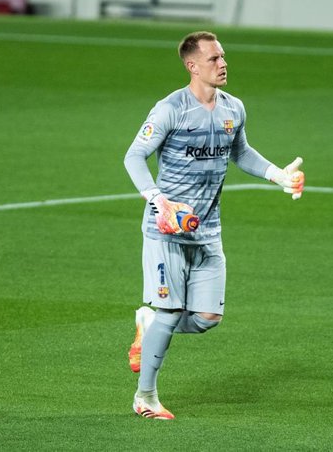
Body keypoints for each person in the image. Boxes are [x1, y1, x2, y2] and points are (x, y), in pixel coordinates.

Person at [123, 31, 305, 420]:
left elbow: (240, 151)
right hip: (167, 231)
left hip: (207, 230)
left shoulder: (233, 108)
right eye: (213, 59)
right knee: (172, 312)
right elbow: (134, 157)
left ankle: (148, 321)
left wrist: (278, 175)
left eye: (222, 57)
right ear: (192, 66)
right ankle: (146, 396)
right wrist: (158, 200)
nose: (223, 64)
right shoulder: (170, 109)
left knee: (207, 319)